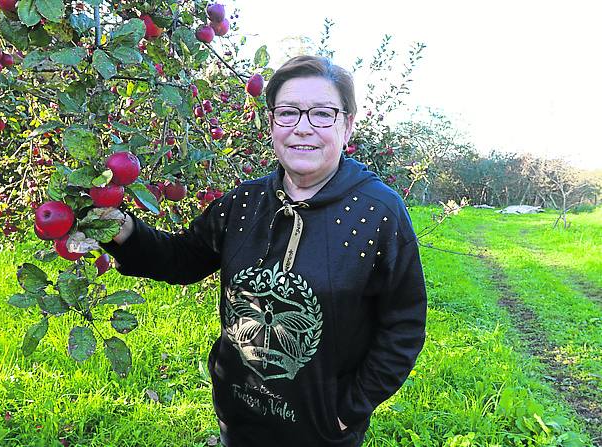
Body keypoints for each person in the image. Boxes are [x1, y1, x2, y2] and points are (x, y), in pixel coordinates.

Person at [102, 55, 427, 447]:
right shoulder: (244, 203)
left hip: (321, 432)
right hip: (239, 419)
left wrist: (349, 410)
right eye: (288, 113)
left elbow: (403, 325)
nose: (302, 128)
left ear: (347, 124)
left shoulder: (378, 213)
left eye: (322, 114)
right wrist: (120, 229)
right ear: (271, 123)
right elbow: (181, 259)